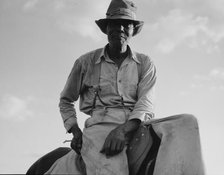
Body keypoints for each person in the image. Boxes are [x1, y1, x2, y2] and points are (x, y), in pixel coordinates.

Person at [46, 0, 156, 174]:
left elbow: (146, 103)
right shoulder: (85, 62)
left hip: (139, 124)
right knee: (111, 169)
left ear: (132, 30)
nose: (119, 28)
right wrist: (75, 131)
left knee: (186, 123)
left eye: (125, 24)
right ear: (106, 29)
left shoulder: (145, 63)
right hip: (100, 126)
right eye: (114, 23)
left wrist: (122, 130)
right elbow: (66, 100)